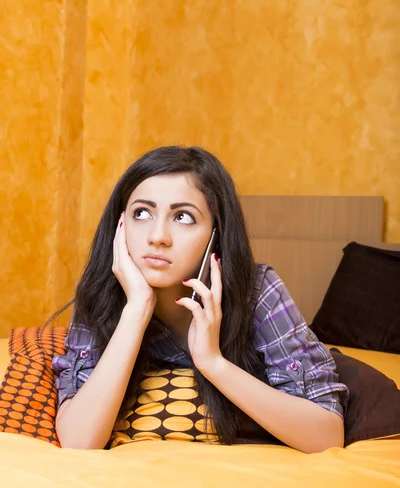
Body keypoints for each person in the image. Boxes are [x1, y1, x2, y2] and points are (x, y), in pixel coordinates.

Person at [50, 145, 349, 452]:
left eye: (183, 217)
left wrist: (212, 363)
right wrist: (136, 310)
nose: (157, 236)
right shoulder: (103, 293)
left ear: (216, 234)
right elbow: (79, 442)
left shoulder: (257, 291)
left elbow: (326, 437)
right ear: (120, 225)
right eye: (142, 213)